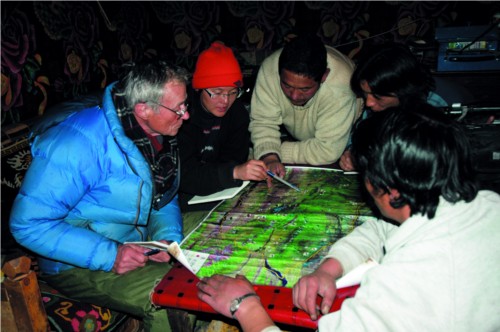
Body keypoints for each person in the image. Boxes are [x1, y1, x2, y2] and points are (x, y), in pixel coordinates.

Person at [196, 104, 500, 331]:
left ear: (390, 190)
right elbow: (385, 230)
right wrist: (328, 268)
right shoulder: (486, 205)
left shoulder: (404, 287)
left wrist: (245, 306)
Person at [9, 59, 191, 332]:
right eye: (178, 108)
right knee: (174, 301)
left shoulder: (153, 129)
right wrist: (111, 255)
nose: (186, 115)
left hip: (136, 238)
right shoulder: (77, 144)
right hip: (76, 261)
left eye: (184, 105)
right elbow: (28, 224)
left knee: (222, 232)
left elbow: (163, 196)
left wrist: (166, 238)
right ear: (143, 109)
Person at [249, 34, 362, 179]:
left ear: (324, 76)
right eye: (287, 85)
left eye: (305, 89)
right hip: (302, 139)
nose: (294, 96)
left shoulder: (342, 84)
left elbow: (327, 151)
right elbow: (263, 121)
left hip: (348, 135)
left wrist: (271, 150)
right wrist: (269, 156)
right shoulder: (269, 69)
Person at [178, 41, 268, 212]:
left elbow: (233, 159)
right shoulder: (181, 115)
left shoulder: (237, 113)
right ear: (199, 88)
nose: (225, 101)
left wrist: (235, 170)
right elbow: (184, 175)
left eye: (233, 92)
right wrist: (233, 172)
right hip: (184, 197)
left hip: (218, 191)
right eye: (217, 93)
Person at [339, 43, 447, 171]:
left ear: (402, 89)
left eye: (377, 96)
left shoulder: (433, 112)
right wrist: (351, 153)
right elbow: (357, 138)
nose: (369, 103)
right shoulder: (377, 106)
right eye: (365, 94)